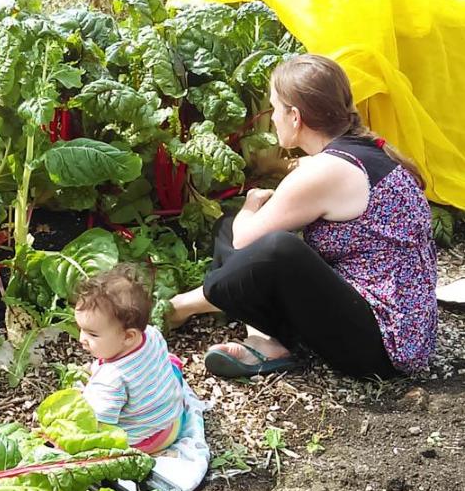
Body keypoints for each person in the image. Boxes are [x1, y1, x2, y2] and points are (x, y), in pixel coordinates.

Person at [169, 54, 437, 378]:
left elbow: (245, 241)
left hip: (381, 348)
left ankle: (181, 307)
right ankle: (265, 342)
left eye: (275, 108)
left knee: (273, 247)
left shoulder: (328, 170)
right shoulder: (362, 152)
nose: (272, 116)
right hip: (400, 329)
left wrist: (252, 203)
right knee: (233, 227)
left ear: (294, 116)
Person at [74, 264, 185, 454]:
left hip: (146, 439)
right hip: (174, 418)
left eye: (93, 334)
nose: (81, 339)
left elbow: (99, 427)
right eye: (81, 329)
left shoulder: (111, 379)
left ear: (128, 336)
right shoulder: (151, 333)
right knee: (169, 365)